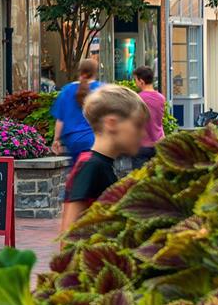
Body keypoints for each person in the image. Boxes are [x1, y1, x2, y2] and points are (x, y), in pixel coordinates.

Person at [59, 84, 154, 231]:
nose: (143, 134)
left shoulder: (102, 164)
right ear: (111, 123)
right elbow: (68, 233)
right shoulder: (91, 166)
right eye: (138, 125)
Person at [50, 57, 103, 158]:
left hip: (73, 142)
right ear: (95, 72)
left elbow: (60, 120)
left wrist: (56, 140)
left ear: (80, 71)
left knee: (79, 166)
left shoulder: (67, 89)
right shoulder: (101, 90)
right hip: (96, 141)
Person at [133, 66, 167, 150]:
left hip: (142, 144)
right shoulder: (161, 98)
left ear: (141, 81)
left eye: (136, 80)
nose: (135, 82)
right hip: (159, 141)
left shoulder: (138, 98)